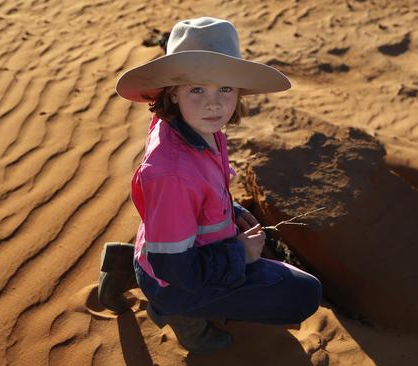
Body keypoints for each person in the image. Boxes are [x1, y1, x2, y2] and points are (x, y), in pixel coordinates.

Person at [98, 17, 322, 354]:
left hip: (170, 250)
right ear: (172, 93)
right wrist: (240, 253)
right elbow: (174, 266)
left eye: (225, 89)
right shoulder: (172, 172)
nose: (213, 104)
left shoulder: (193, 127)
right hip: (174, 275)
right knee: (304, 294)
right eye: (198, 89)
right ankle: (172, 309)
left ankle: (127, 267)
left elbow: (201, 194)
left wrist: (233, 210)